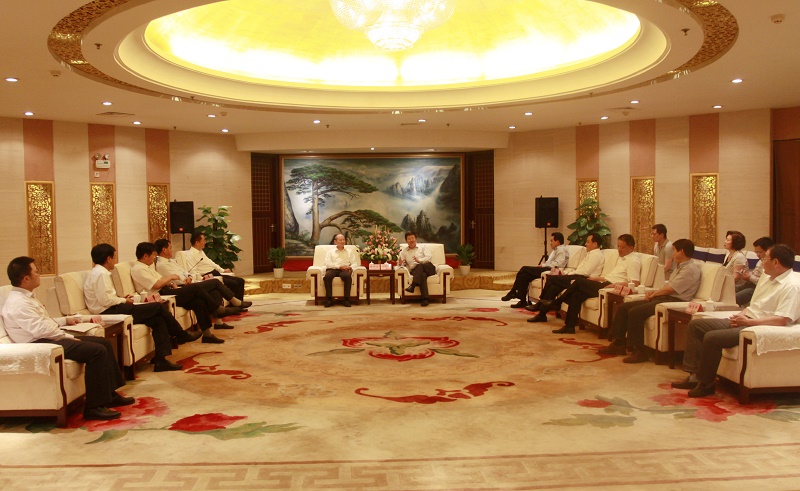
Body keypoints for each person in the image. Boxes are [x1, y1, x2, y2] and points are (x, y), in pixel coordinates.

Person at [2, 257, 134, 420]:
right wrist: (68, 336)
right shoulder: (19, 303)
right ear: (26, 278)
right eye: (36, 271)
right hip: (40, 345)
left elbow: (44, 322)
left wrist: (65, 321)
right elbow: (41, 330)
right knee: (97, 351)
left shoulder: (27, 297)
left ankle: (109, 395)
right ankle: (94, 407)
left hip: (47, 339)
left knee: (104, 343)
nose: (39, 274)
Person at [671, 244, 800, 398]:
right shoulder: (767, 278)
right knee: (696, 325)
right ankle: (694, 376)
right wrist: (740, 316)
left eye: (765, 258)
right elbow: (754, 305)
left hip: (758, 326)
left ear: (776, 262)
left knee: (712, 337)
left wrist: (747, 322)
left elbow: (782, 319)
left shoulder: (791, 286)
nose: (761, 261)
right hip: (746, 319)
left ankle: (706, 384)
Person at [84, 243, 196, 369]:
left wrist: (122, 298)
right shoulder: (101, 274)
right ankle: (180, 334)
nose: (115, 260)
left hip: (113, 307)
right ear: (108, 258)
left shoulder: (99, 272)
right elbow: (106, 300)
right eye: (114, 257)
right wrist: (123, 300)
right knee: (157, 307)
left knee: (157, 320)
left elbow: (106, 297)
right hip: (109, 311)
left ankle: (161, 360)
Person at [599, 239, 701, 363]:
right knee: (624, 307)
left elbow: (671, 289)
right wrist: (653, 292)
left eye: (674, 251)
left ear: (682, 251)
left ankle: (639, 351)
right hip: (664, 297)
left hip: (673, 301)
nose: (673, 254)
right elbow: (667, 286)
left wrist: (654, 294)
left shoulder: (690, 269)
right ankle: (618, 344)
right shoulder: (680, 267)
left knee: (635, 312)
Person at [537, 234, 641, 334]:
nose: (619, 249)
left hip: (610, 287)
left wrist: (614, 285)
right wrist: (598, 278)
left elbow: (635, 282)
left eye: (622, 247)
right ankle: (569, 326)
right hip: (604, 282)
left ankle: (557, 302)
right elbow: (613, 276)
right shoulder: (622, 258)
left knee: (578, 281)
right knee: (576, 295)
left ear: (631, 247)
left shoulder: (633, 261)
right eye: (618, 246)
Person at [131, 242, 231, 342]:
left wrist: (171, 283)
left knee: (198, 302)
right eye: (153, 255)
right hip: (161, 295)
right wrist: (171, 277)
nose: (154, 257)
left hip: (167, 290)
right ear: (145, 256)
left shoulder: (147, 267)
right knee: (196, 288)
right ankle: (216, 308)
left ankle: (207, 335)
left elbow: (161, 279)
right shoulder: (138, 269)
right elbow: (156, 284)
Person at [154, 238, 251, 314]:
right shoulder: (162, 265)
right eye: (170, 247)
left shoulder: (171, 261)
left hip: (189, 281)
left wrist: (189, 277)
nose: (172, 250)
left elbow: (184, 272)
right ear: (164, 250)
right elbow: (176, 279)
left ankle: (219, 321)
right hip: (182, 286)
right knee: (215, 282)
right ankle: (235, 302)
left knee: (215, 291)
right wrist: (186, 279)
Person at [526, 232, 605, 321]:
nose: (585, 244)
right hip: (578, 276)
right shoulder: (591, 254)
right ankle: (542, 315)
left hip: (583, 279)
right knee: (553, 287)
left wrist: (569, 273)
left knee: (552, 279)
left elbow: (585, 272)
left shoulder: (596, 255)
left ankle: (541, 303)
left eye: (588, 242)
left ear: (595, 244)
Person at [501, 232, 568, 308]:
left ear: (557, 241)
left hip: (550, 270)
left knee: (524, 268)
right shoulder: (556, 250)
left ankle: (513, 291)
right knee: (524, 276)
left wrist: (543, 265)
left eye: (552, 240)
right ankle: (522, 301)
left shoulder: (561, 250)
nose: (550, 243)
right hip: (547, 268)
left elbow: (558, 264)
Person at [184, 231, 247, 302]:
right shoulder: (190, 255)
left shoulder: (201, 251)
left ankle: (240, 303)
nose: (205, 242)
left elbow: (210, 262)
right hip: (208, 276)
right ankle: (235, 304)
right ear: (197, 243)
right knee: (234, 284)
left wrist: (222, 270)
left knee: (240, 281)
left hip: (215, 273)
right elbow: (193, 272)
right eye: (203, 240)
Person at [398, 231, 436, 307]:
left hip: (428, 267)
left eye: (412, 238)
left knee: (420, 265)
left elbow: (429, 257)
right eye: (409, 239)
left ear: (416, 239)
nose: (411, 240)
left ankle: (413, 285)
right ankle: (425, 299)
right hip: (416, 271)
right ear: (406, 241)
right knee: (422, 275)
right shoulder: (404, 251)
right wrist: (401, 263)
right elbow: (402, 264)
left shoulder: (423, 247)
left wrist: (419, 261)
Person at [322, 233, 360, 308]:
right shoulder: (330, 252)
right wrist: (339, 266)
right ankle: (329, 300)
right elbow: (327, 263)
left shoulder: (349, 251)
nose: (342, 241)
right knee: (327, 276)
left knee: (347, 276)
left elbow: (355, 263)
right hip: (333, 269)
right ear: (335, 241)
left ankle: (346, 300)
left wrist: (349, 267)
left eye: (343, 240)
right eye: (340, 240)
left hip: (344, 270)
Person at [736, 236, 774, 306]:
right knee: (729, 290)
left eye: (759, 252)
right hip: (751, 283)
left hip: (759, 287)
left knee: (736, 298)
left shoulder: (771, 263)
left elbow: (765, 281)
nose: (757, 255)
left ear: (768, 250)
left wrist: (750, 277)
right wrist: (746, 275)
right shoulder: (760, 261)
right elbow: (755, 273)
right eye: (756, 252)